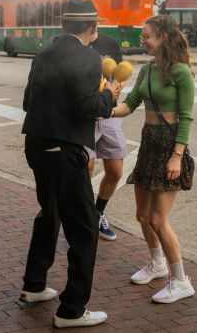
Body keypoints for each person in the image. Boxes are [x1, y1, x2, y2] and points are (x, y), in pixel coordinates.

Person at [20, 0, 119, 328]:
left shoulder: (43, 53)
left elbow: (27, 102)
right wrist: (109, 95)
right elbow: (90, 108)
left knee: (49, 213)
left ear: (63, 24)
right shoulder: (89, 57)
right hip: (63, 150)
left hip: (35, 145)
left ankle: (34, 285)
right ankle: (71, 310)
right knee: (86, 228)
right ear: (94, 26)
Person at [111, 15, 196, 304]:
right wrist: (107, 110)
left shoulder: (181, 72)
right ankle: (157, 263)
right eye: (142, 36)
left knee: (159, 219)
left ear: (163, 37)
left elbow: (186, 118)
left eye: (146, 36)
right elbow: (131, 103)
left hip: (169, 147)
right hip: (149, 144)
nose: (142, 40)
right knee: (143, 216)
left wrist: (176, 156)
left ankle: (180, 281)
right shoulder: (148, 69)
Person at [87, 34, 127, 241]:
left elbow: (119, 74)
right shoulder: (75, 43)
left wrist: (117, 87)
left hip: (110, 113)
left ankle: (98, 213)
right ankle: (84, 217)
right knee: (86, 169)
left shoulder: (110, 42)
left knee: (116, 171)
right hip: (85, 115)